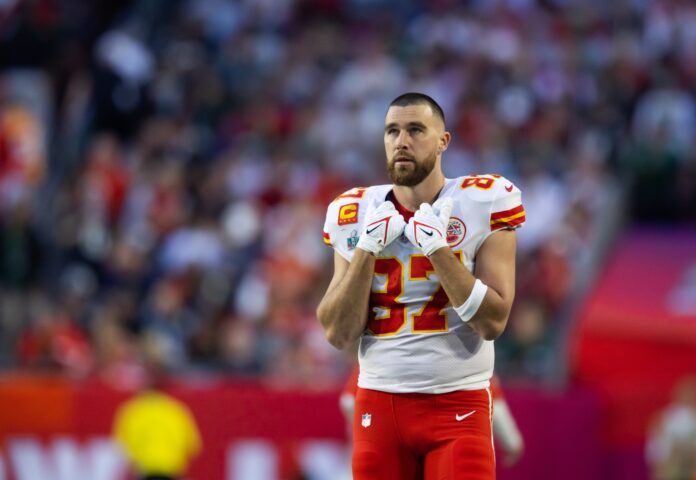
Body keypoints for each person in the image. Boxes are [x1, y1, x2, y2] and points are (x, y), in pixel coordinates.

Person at [317, 92, 525, 479]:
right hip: (379, 405)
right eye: (392, 131)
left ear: (443, 141)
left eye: (415, 129)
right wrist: (365, 249)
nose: (402, 141)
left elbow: (493, 322)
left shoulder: (483, 200)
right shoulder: (355, 211)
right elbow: (338, 331)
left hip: (458, 403)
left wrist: (437, 249)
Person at [340, 366, 525, 474]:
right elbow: (492, 395)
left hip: (390, 446)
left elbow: (348, 401)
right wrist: (512, 442)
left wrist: (368, 433)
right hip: (442, 444)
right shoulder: (458, 350)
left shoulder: (385, 350)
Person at [112, 365, 202, 480]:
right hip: (172, 471)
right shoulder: (176, 410)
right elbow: (193, 446)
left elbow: (121, 446)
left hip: (144, 471)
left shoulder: (132, 411)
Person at [645, 376, 696, 480]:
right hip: (670, 466)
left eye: (691, 393)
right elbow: (655, 450)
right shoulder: (663, 418)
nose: (688, 396)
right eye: (685, 393)